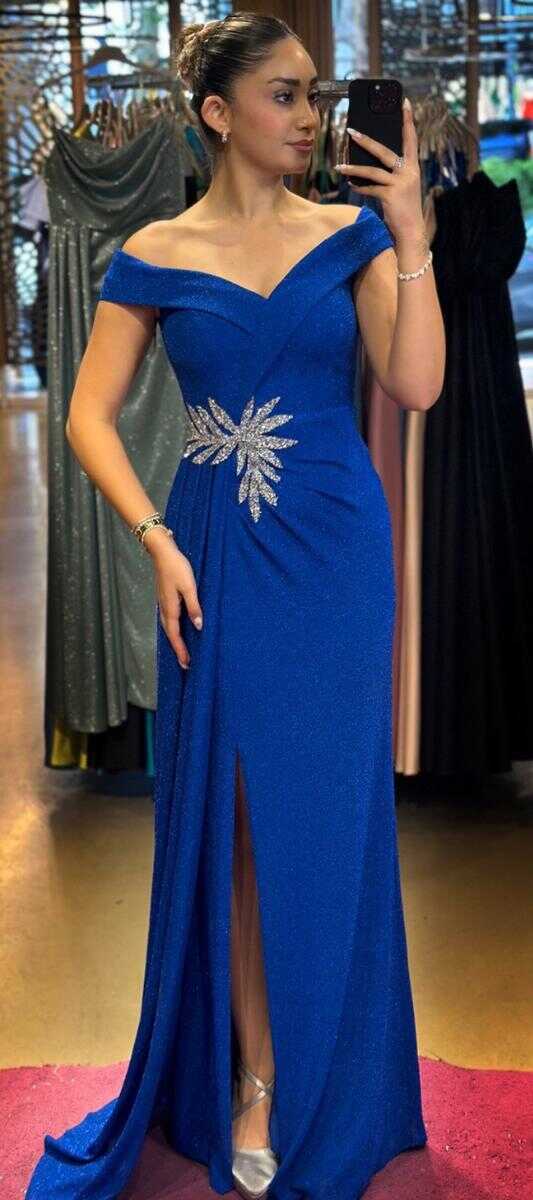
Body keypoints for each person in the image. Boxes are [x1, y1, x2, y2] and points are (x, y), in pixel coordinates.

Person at [24, 11, 445, 1200]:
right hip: (210, 551)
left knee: (331, 812)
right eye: (284, 95)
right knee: (241, 819)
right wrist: (152, 538)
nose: (309, 118)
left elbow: (413, 381)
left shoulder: (351, 234)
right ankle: (255, 1075)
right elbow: (87, 415)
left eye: (314, 95)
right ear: (217, 113)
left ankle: (338, 1078)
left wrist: (409, 233)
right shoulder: (155, 251)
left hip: (334, 553)